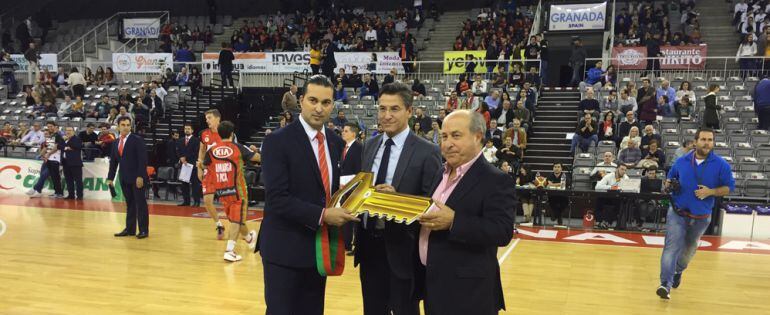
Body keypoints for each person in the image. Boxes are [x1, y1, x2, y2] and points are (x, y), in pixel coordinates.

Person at [258, 75, 357, 314]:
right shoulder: (276, 142)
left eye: (326, 102)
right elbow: (277, 199)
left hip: (318, 250)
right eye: (313, 100)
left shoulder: (335, 142)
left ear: (333, 105)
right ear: (301, 100)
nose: (319, 108)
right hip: (284, 249)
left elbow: (333, 190)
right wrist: (323, 215)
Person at [356, 82, 442, 315]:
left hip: (403, 249)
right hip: (369, 247)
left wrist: (398, 201)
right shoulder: (369, 145)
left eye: (394, 109)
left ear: (409, 111)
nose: (386, 115)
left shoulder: (428, 151)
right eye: (382, 109)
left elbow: (432, 203)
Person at [419, 109, 515, 314]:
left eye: (456, 135)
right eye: (444, 136)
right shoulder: (440, 172)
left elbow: (502, 231)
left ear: (477, 136)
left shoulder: (496, 179)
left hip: (469, 294)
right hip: (434, 286)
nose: (447, 143)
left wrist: (455, 221)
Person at [657, 128, 735, 300]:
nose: (707, 143)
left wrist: (711, 191)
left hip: (701, 218)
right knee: (671, 248)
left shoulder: (721, 164)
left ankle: (678, 271)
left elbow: (729, 188)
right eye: (703, 139)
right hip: (677, 213)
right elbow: (669, 180)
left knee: (687, 252)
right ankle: (665, 284)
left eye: (710, 140)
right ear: (695, 141)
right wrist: (668, 184)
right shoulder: (681, 161)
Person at [202, 121, 260, 262]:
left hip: (221, 191)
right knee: (236, 219)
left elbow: (205, 164)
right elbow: (258, 159)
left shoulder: (211, 151)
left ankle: (248, 237)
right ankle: (230, 250)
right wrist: (256, 151)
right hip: (237, 189)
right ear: (232, 133)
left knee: (236, 218)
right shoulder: (238, 148)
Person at [108, 117, 150, 239]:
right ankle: (130, 229)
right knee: (130, 204)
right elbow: (114, 162)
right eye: (123, 124)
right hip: (124, 178)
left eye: (128, 125)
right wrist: (110, 178)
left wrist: (140, 176)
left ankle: (143, 230)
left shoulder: (137, 140)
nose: (126, 127)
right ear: (118, 126)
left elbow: (143, 160)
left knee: (140, 204)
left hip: (137, 178)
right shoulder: (116, 142)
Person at [198, 109, 228, 239]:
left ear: (217, 119)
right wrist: (199, 168)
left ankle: (238, 225)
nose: (207, 120)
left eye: (209, 118)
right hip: (209, 171)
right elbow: (201, 151)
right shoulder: (204, 134)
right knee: (207, 201)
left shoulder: (226, 132)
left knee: (229, 202)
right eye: (206, 118)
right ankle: (219, 225)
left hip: (223, 170)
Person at [340, 122, 362, 255]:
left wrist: (352, 184)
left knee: (354, 218)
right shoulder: (344, 147)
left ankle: (356, 245)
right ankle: (346, 243)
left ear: (353, 134)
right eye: (343, 130)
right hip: (344, 187)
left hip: (353, 187)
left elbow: (359, 168)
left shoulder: (358, 147)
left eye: (346, 131)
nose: (343, 132)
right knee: (345, 216)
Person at [26, 122, 64, 198]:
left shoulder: (58, 136)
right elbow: (46, 147)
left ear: (55, 127)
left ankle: (35, 189)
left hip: (55, 159)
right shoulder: (50, 136)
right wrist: (41, 155)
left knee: (54, 177)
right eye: (48, 126)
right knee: (53, 177)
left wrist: (48, 154)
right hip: (49, 159)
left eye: (51, 126)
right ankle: (57, 193)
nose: (50, 128)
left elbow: (56, 147)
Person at [594, 164, 629, 229]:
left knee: (619, 203)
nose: (623, 171)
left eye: (625, 170)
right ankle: (598, 221)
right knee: (599, 199)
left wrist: (618, 188)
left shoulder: (626, 178)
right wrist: (611, 187)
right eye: (622, 169)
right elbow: (597, 187)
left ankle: (607, 222)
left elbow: (626, 189)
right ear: (617, 169)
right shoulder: (609, 176)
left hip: (618, 197)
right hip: (607, 196)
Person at [178, 124, 201, 207]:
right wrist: (181, 157)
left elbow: (196, 152)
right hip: (184, 164)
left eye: (188, 129)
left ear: (192, 131)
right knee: (184, 184)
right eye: (185, 129)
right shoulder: (181, 140)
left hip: (192, 164)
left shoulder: (196, 140)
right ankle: (186, 201)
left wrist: (185, 157)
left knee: (195, 184)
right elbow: (178, 150)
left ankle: (196, 202)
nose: (187, 130)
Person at [61, 126, 84, 200]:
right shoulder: (64, 140)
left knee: (78, 180)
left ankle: (79, 196)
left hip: (75, 163)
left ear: (73, 131)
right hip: (65, 162)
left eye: (70, 130)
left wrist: (67, 146)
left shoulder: (77, 139)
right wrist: (67, 147)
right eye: (67, 130)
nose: (68, 132)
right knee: (68, 180)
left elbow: (77, 146)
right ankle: (71, 195)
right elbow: (59, 146)